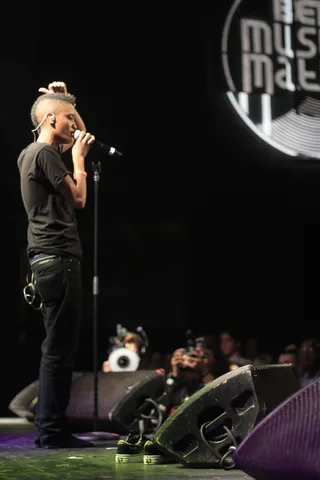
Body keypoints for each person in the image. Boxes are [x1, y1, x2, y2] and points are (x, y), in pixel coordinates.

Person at [17, 81, 96, 449]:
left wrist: (66, 99)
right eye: (66, 118)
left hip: (47, 260)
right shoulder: (45, 154)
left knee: (57, 347)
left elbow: (79, 131)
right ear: (49, 118)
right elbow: (79, 198)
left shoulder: (30, 153)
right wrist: (78, 161)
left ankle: (51, 428)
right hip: (59, 258)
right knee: (59, 350)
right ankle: (51, 431)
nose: (74, 125)